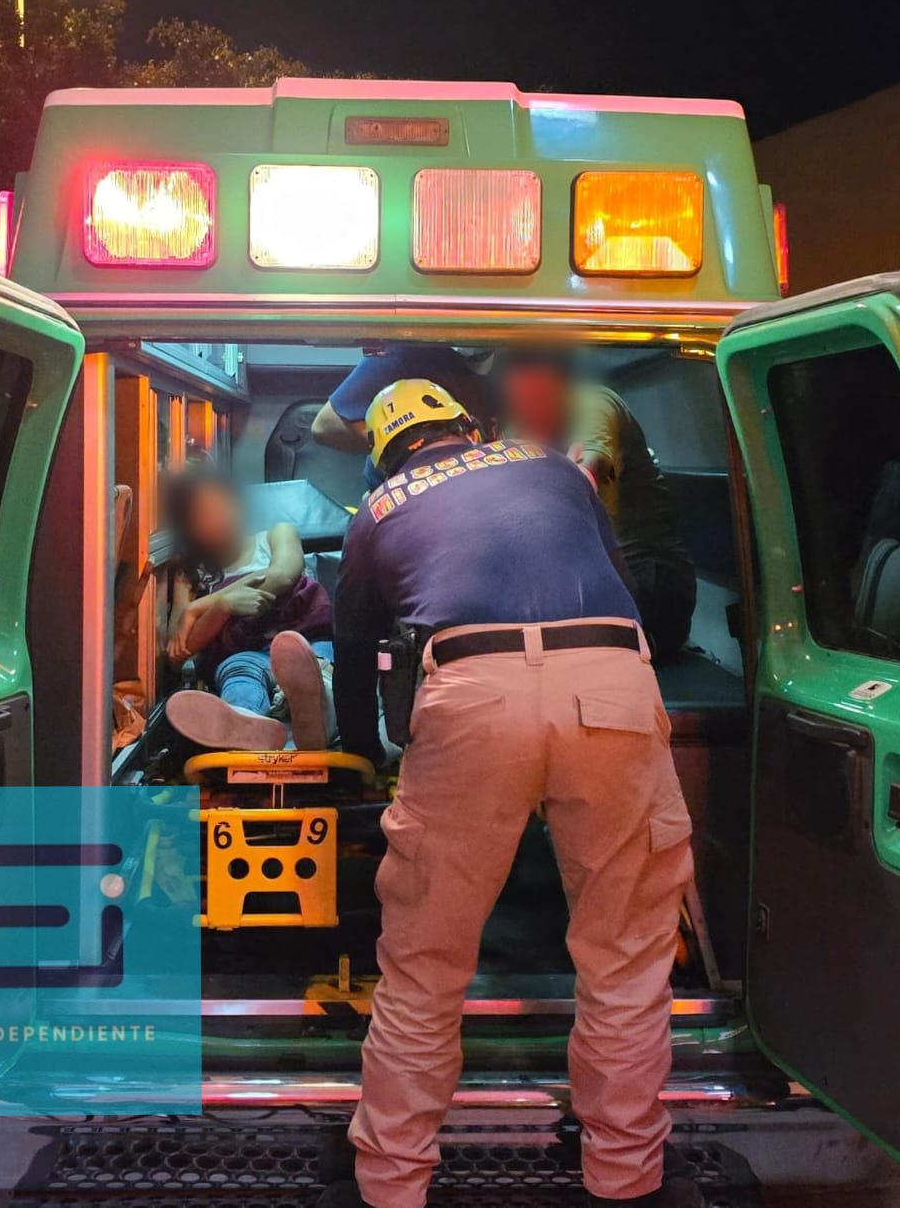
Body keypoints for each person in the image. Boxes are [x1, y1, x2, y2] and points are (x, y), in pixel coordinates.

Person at [322, 380, 698, 1208]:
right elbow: (618, 580)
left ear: (386, 454)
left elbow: (354, 658)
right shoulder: (550, 465)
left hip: (470, 687)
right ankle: (625, 1177)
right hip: (609, 677)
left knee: (424, 965)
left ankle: (390, 1184)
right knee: (627, 957)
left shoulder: (377, 510)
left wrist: (360, 762)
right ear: (470, 427)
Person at [496, 348, 697, 660]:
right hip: (589, 585)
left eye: (539, 398)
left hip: (650, 587)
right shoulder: (516, 431)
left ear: (562, 388)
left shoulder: (594, 403)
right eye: (520, 402)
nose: (530, 411)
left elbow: (591, 467)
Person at [163, 465, 334, 751]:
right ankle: (245, 727)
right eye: (202, 514)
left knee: (314, 670)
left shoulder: (276, 535)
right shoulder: (192, 571)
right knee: (239, 674)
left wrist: (201, 606)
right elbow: (179, 648)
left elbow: (282, 574)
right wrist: (223, 607)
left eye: (220, 506)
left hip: (304, 643)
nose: (216, 519)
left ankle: (313, 720)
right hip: (246, 655)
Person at [312, 342, 495, 487]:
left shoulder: (517, 343)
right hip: (408, 487)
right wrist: (409, 448)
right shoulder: (411, 352)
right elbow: (324, 426)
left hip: (483, 482)